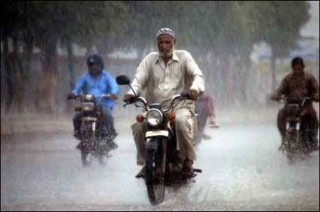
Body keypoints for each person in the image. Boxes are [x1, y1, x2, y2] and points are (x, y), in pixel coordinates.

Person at [122, 27, 205, 178]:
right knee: (139, 126)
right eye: (161, 42)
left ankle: (188, 161)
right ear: (157, 43)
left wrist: (194, 89)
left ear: (174, 42)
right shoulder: (149, 60)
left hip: (180, 106)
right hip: (155, 109)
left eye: (168, 42)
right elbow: (138, 80)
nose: (164, 46)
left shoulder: (184, 57)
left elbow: (197, 75)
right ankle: (145, 163)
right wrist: (131, 93)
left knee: (180, 122)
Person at [68, 53, 119, 147]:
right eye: (91, 65)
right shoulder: (85, 77)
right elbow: (77, 88)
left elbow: (114, 87)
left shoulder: (106, 76)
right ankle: (79, 135)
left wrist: (113, 94)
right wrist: (74, 94)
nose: (93, 67)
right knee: (76, 117)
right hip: (88, 104)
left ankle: (110, 137)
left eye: (96, 65)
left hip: (103, 103)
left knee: (108, 116)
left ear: (101, 65)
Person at [270, 56, 319, 152]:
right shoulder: (287, 79)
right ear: (292, 68)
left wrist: (316, 96)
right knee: (280, 114)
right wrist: (275, 95)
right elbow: (279, 90)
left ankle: (313, 141)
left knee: (313, 118)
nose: (297, 71)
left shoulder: (309, 78)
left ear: (303, 67)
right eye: (295, 69)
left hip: (306, 107)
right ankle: (284, 139)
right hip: (290, 108)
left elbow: (316, 90)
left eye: (299, 68)